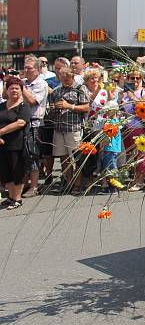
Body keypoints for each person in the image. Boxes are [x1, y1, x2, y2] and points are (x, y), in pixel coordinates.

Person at [48, 67, 90, 193]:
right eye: (62, 79)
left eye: (67, 79)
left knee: (77, 157)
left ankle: (78, 184)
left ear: (72, 77)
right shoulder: (56, 91)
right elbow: (50, 110)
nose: (65, 81)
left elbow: (86, 107)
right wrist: (53, 108)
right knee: (64, 158)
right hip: (59, 128)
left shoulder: (79, 88)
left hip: (74, 128)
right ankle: (69, 182)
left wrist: (69, 106)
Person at [0, 77, 32, 210]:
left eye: (17, 88)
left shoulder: (24, 106)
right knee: (5, 172)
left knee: (17, 171)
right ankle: (11, 197)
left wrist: (0, 132)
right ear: (6, 90)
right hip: (2, 145)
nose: (14, 90)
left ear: (21, 90)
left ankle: (18, 198)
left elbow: (21, 123)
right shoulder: (1, 106)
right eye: (11, 88)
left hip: (17, 144)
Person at [21, 56, 49, 198]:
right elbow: (5, 96)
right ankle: (23, 184)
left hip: (35, 124)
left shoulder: (41, 84)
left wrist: (20, 87)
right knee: (22, 155)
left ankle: (34, 186)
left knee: (33, 155)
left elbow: (32, 101)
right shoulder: (22, 82)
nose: (26, 70)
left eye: (29, 68)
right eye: (25, 67)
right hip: (20, 123)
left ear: (38, 70)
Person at [120, 69, 145, 191]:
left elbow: (144, 106)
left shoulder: (144, 91)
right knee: (131, 156)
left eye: (137, 78)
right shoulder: (125, 93)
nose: (135, 80)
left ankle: (140, 181)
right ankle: (134, 179)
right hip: (127, 127)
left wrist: (132, 96)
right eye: (132, 78)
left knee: (141, 154)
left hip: (139, 127)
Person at [97, 101, 122, 193]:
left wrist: (102, 144)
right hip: (112, 147)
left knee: (111, 167)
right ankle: (110, 184)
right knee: (108, 166)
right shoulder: (116, 121)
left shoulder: (112, 122)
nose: (106, 112)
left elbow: (108, 136)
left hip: (111, 148)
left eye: (108, 110)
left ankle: (113, 186)